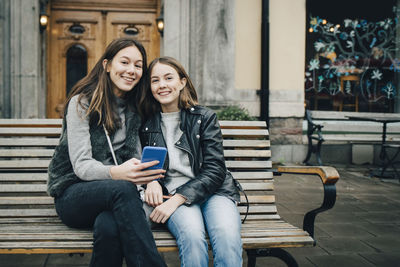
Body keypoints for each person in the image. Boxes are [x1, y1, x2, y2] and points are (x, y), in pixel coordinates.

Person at [47, 37, 167, 267]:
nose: (132, 70)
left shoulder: (135, 108)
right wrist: (116, 173)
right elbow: (81, 165)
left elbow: (137, 156)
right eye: (125, 62)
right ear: (107, 65)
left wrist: (151, 180)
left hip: (115, 200)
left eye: (138, 65)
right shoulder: (82, 103)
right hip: (72, 193)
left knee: (108, 226)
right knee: (122, 189)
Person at [139, 56, 243, 267]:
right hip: (171, 194)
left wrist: (177, 199)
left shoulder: (204, 118)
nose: (162, 85)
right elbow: (142, 163)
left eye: (169, 78)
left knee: (226, 235)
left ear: (182, 82)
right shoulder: (145, 123)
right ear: (149, 86)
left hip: (214, 193)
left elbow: (215, 170)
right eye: (155, 80)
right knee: (192, 236)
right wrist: (151, 182)